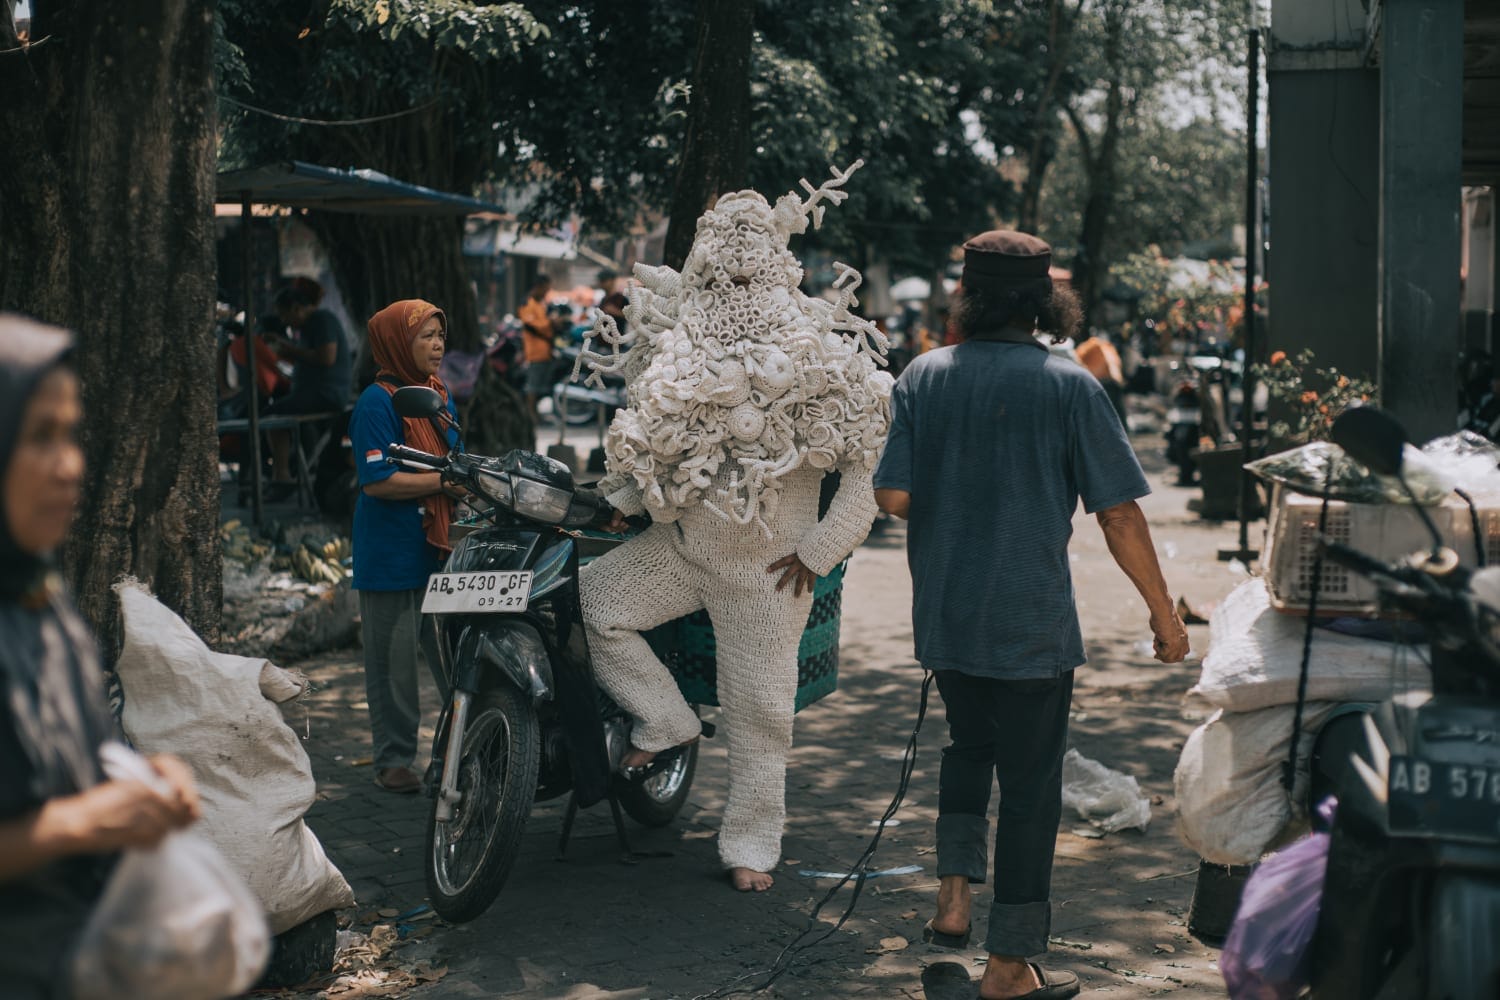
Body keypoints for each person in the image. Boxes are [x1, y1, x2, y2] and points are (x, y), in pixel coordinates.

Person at [872, 231, 1189, 1000]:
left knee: (966, 748)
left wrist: (960, 481)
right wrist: (1165, 616)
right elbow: (1118, 516)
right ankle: (1009, 966)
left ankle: (953, 900)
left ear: (969, 297)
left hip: (945, 618)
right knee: (1030, 787)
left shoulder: (922, 377)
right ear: (1047, 299)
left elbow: (893, 498)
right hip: (1031, 625)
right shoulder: (1070, 385)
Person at [576, 163, 891, 893]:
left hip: (769, 572)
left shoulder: (823, 365)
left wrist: (817, 551)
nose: (735, 275)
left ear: (780, 269)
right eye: (722, 259)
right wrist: (627, 492)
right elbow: (655, 449)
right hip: (681, 551)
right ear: (702, 262)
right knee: (596, 604)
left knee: (759, 711)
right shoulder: (673, 357)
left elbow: (864, 479)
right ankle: (665, 721)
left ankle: (752, 842)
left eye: (749, 261)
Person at [0, 315, 202, 998]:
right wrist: (81, 824)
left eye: (70, 435)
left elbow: (72, 753)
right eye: (37, 438)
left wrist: (144, 781)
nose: (70, 465)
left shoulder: (39, 597)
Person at [348, 300, 457, 793]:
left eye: (440, 335)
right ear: (398, 341)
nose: (437, 345)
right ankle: (393, 759)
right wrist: (443, 483)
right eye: (425, 337)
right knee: (393, 666)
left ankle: (454, 755)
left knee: (452, 659)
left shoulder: (438, 396)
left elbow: (452, 466)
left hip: (437, 546)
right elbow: (377, 481)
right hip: (389, 552)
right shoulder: (376, 402)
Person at [262, 278, 353, 501]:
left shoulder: (322, 319)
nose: (285, 321)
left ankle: (281, 475)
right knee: (277, 409)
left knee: (273, 415)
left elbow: (326, 357)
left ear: (296, 308)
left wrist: (289, 351)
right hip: (313, 392)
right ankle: (285, 470)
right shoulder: (308, 328)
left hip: (327, 394)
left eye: (285, 315)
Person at [216, 313, 290, 421]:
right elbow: (279, 372)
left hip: (249, 397)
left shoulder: (239, 344)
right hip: (254, 398)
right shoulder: (252, 343)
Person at [519, 275, 555, 422]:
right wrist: (550, 322)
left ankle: (535, 413)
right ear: (539, 287)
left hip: (545, 351)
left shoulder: (541, 304)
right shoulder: (528, 303)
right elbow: (531, 325)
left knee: (540, 384)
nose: (546, 292)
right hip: (534, 351)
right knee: (532, 385)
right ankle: (530, 415)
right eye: (545, 289)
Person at [1074, 330, 1128, 423]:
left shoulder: (1087, 347)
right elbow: (1114, 363)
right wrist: (1118, 379)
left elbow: (1078, 363)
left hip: (1098, 381)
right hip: (1111, 381)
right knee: (1116, 409)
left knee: (1103, 410)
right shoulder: (1105, 347)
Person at [597, 268, 629, 339]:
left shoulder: (622, 299)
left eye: (603, 280)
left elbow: (631, 318)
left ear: (612, 280)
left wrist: (616, 312)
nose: (601, 283)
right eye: (600, 281)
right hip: (601, 341)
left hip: (616, 342)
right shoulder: (603, 299)